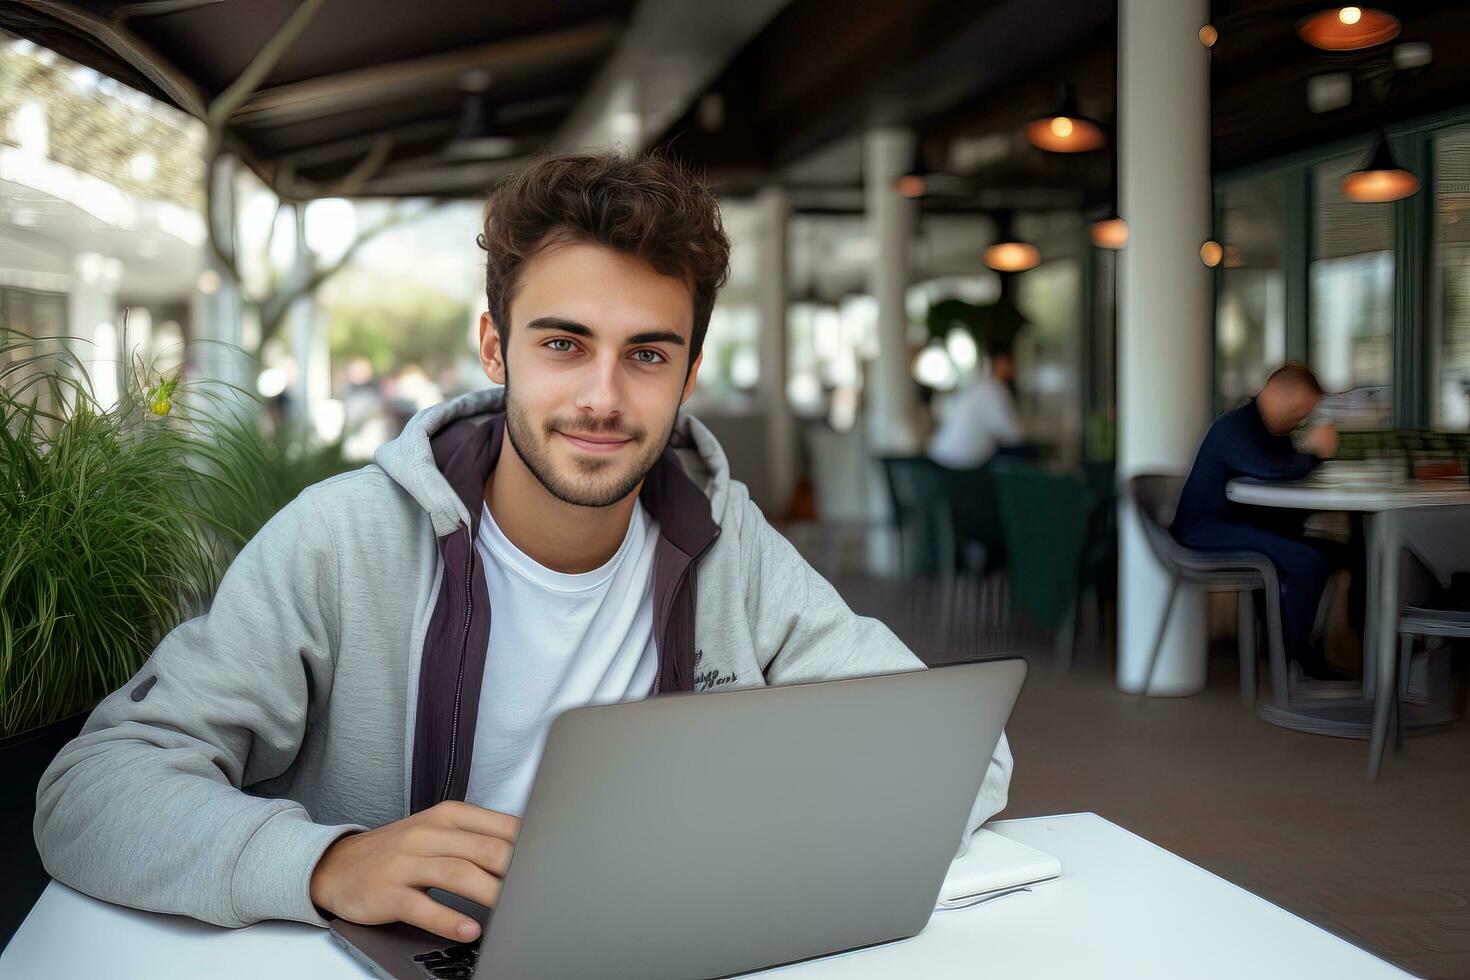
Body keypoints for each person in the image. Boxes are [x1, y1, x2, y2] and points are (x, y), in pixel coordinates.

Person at [34, 152, 1013, 946]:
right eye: (562, 343)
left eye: (646, 353)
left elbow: (962, 757)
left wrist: (746, 854)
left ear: (688, 373)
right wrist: (327, 862)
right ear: (495, 348)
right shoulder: (346, 538)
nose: (602, 396)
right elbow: (91, 790)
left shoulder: (726, 542)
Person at [1170, 363, 1348, 681]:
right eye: (1298, 411)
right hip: (1205, 531)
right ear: (1275, 394)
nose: (1301, 420)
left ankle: (1357, 644)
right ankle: (1295, 658)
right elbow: (1273, 471)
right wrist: (1317, 453)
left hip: (1242, 527)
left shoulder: (1273, 431)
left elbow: (1284, 474)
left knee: (1343, 553)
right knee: (1308, 561)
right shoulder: (1236, 427)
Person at [926, 348, 1023, 469]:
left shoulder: (978, 386)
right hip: (958, 465)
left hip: (936, 456)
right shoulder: (995, 390)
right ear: (1000, 363)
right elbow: (1014, 435)